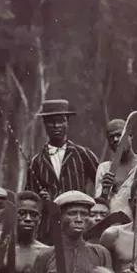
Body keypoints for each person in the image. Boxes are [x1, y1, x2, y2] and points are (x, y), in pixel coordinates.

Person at [26, 99, 100, 244]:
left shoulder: (82, 154)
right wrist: (42, 200)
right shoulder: (36, 161)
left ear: (67, 122)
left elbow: (102, 183)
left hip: (78, 226)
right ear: (44, 125)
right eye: (51, 122)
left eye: (61, 121)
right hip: (48, 230)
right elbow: (30, 200)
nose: (56, 126)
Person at [94, 118, 137, 219]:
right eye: (111, 137)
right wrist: (105, 191)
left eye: (119, 135)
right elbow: (99, 205)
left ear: (130, 136)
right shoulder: (104, 168)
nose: (115, 140)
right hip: (111, 225)